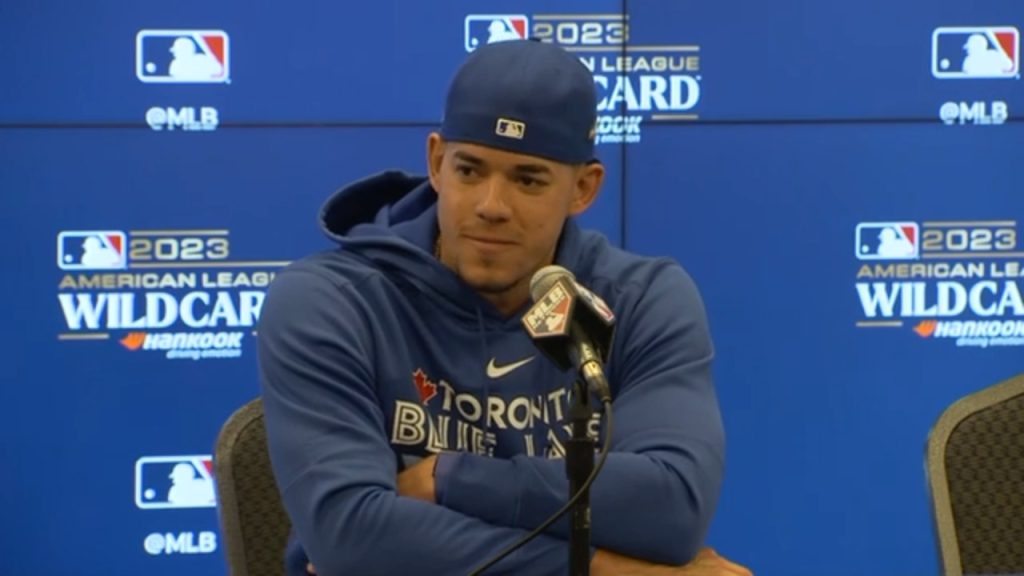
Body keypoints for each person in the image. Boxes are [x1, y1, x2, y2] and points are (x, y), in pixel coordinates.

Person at [258, 39, 751, 575]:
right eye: (470, 170)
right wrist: (609, 569)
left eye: (528, 179)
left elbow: (670, 508)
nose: (492, 206)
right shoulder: (332, 301)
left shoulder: (639, 300)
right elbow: (351, 536)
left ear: (583, 188)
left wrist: (447, 478)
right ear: (436, 162)